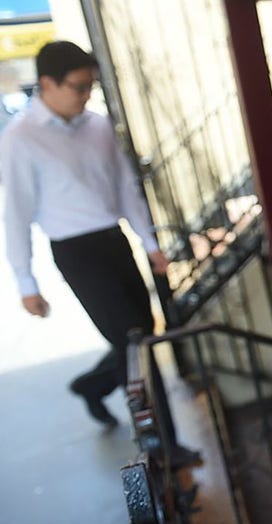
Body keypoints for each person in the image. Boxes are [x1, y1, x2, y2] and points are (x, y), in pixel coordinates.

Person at [1, 41, 169, 426]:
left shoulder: (97, 124)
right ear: (47, 84)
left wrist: (150, 242)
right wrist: (26, 282)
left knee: (141, 333)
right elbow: (17, 214)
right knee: (133, 345)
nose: (86, 94)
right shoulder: (20, 137)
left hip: (114, 240)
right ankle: (163, 443)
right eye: (78, 87)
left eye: (89, 86)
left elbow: (126, 187)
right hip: (77, 252)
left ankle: (93, 386)